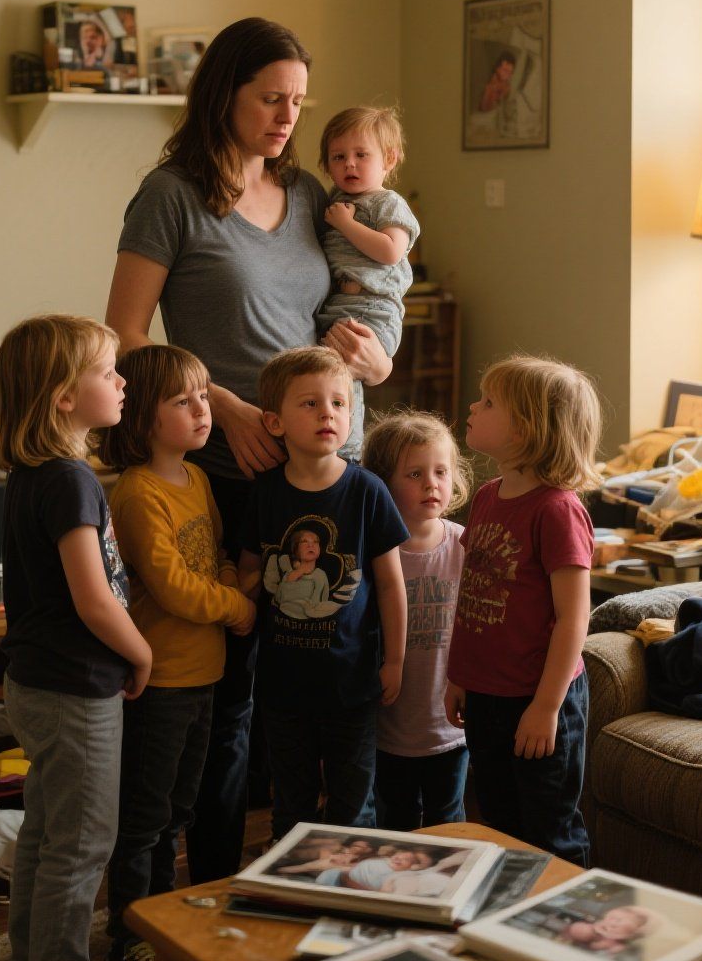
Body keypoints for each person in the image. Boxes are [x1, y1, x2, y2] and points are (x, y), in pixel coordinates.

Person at [106, 17, 392, 883]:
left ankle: (305, 880)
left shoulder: (309, 195)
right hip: (229, 474)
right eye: (270, 98)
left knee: (317, 692)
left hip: (328, 472)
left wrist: (379, 360)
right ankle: (204, 889)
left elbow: (366, 298)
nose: (286, 117)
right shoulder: (171, 196)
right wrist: (224, 406)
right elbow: (123, 337)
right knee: (225, 704)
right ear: (223, 93)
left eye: (297, 101)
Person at [0, 313, 152, 961]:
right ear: (63, 397)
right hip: (74, 688)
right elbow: (94, 599)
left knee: (47, 832)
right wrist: (141, 651)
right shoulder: (70, 480)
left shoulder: (35, 475)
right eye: (107, 372)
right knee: (83, 843)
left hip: (35, 681)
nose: (121, 383)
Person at [97, 344, 255, 961]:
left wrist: (232, 585)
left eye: (204, 396)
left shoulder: (198, 480)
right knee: (144, 817)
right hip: (159, 683)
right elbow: (172, 587)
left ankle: (159, 922)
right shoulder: (137, 493)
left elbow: (215, 557)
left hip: (203, 677)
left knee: (178, 812)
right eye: (182, 401)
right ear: (142, 417)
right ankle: (126, 939)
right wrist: (237, 606)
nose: (202, 410)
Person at [238, 347, 408, 840]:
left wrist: (396, 660)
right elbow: (248, 572)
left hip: (352, 683)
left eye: (338, 403)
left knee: (353, 805)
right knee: (291, 805)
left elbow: (391, 585)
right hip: (281, 685)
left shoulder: (367, 491)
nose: (327, 414)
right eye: (310, 403)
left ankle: (352, 883)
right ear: (274, 422)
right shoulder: (265, 492)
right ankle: (291, 882)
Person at [444, 354, 602, 867]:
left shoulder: (557, 509)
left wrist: (547, 707)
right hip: (486, 695)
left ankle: (565, 912)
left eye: (489, 402)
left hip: (538, 699)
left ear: (525, 428)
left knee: (549, 831)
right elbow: (476, 594)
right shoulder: (488, 497)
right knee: (499, 826)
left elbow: (574, 618)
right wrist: (460, 676)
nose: (473, 407)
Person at [362, 411, 471, 831]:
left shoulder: (464, 543)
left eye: (441, 471)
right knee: (397, 821)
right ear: (383, 482)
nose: (431, 484)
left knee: (450, 822)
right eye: (415, 474)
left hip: (450, 726)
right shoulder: (374, 549)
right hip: (391, 726)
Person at [316, 107, 420, 444]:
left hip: (373, 308)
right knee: (322, 378)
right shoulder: (335, 200)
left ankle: (348, 448)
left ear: (389, 159)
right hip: (338, 306)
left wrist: (346, 224)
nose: (349, 164)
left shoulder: (388, 203)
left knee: (343, 380)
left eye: (361, 155)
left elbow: (391, 251)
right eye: (338, 157)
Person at [264, 525, 331, 617]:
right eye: (304, 541)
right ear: (296, 550)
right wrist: (296, 574)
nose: (311, 545)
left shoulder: (320, 575)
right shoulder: (289, 574)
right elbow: (278, 598)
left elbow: (323, 601)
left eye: (315, 542)